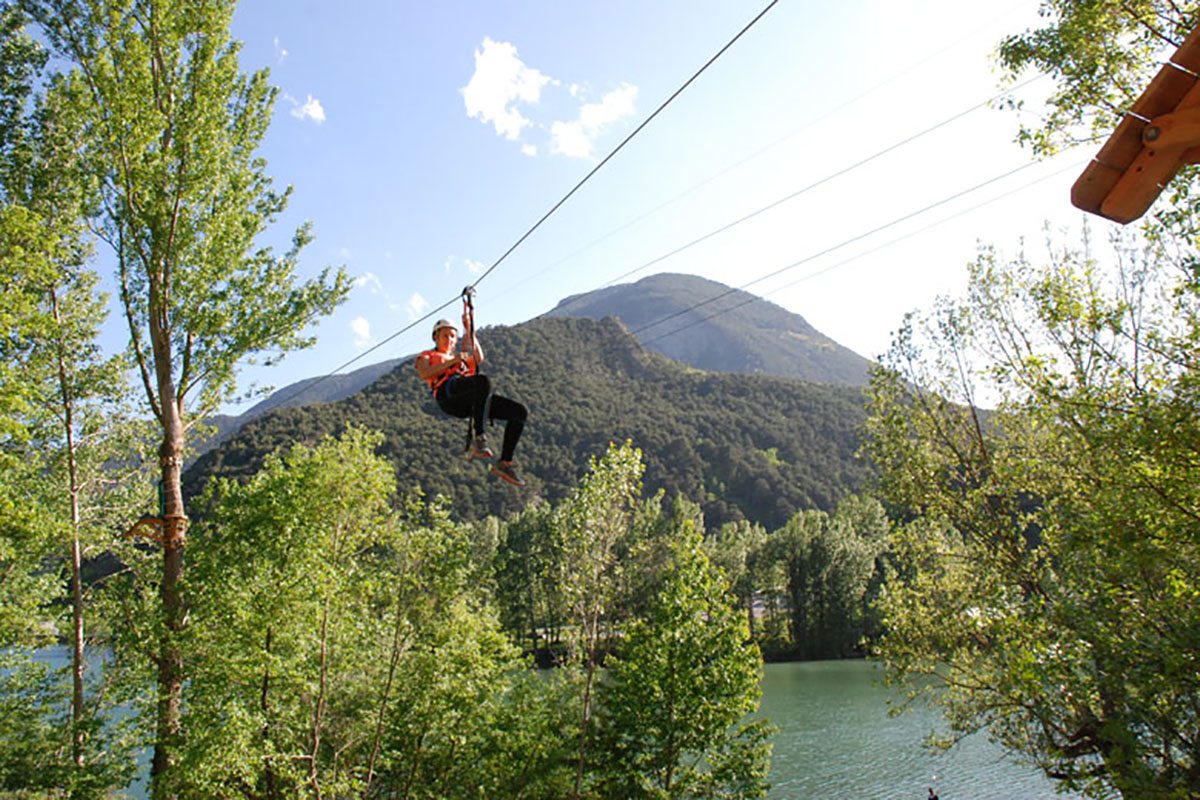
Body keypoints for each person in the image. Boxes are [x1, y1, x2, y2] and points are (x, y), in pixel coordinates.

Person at [414, 313, 528, 487]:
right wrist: (452, 361)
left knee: (519, 412)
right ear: (436, 337)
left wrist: (469, 330)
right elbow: (424, 373)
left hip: (467, 397)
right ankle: (479, 439)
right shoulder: (428, 355)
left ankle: (504, 463)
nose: (450, 339)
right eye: (445, 335)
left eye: (453, 336)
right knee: (482, 381)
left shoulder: (460, 359)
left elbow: (478, 357)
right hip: (448, 394)